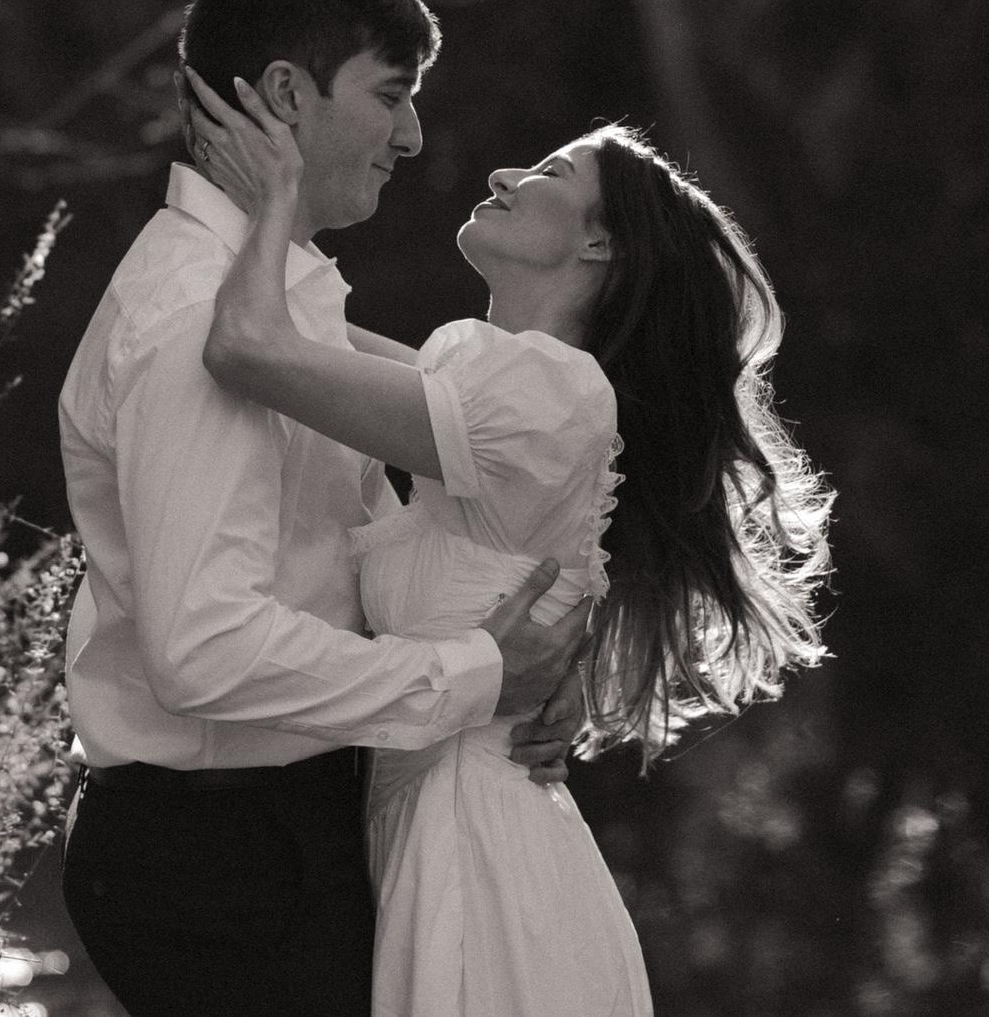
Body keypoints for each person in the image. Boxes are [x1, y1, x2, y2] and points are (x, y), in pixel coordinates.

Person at [186, 71, 833, 1017]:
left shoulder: (543, 394)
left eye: (549, 173)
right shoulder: (511, 396)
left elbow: (248, 349)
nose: (502, 173)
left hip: (478, 860)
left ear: (600, 242)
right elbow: (310, 340)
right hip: (450, 834)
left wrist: (278, 191)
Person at [58, 0, 591, 1017]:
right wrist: (475, 677)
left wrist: (522, 677)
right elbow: (204, 650)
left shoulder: (278, 295)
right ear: (287, 95)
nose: (413, 135)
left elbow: (395, 535)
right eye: (390, 95)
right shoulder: (193, 319)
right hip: (221, 862)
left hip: (287, 827)